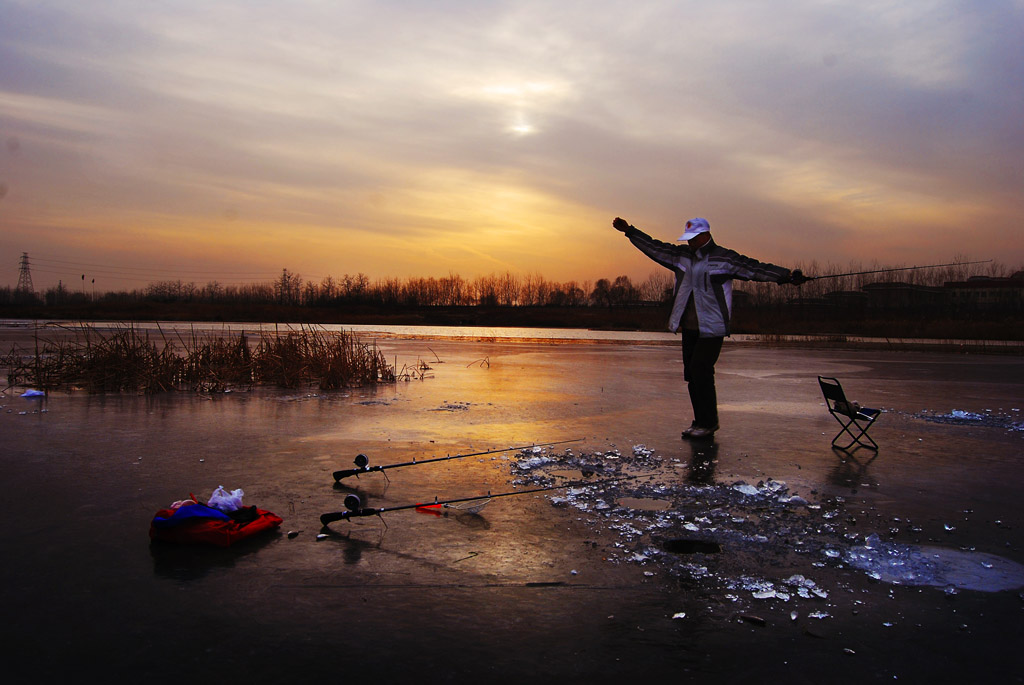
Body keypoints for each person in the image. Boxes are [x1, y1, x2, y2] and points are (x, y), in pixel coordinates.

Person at [612, 216, 806, 439]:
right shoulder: (681, 256)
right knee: (692, 375)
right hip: (689, 326)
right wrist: (631, 231)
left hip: (712, 327)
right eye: (687, 239)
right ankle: (700, 421)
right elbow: (656, 247)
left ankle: (709, 422)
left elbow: (754, 268)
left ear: (705, 236)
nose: (689, 243)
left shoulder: (724, 258)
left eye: (693, 238)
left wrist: (787, 276)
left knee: (700, 369)